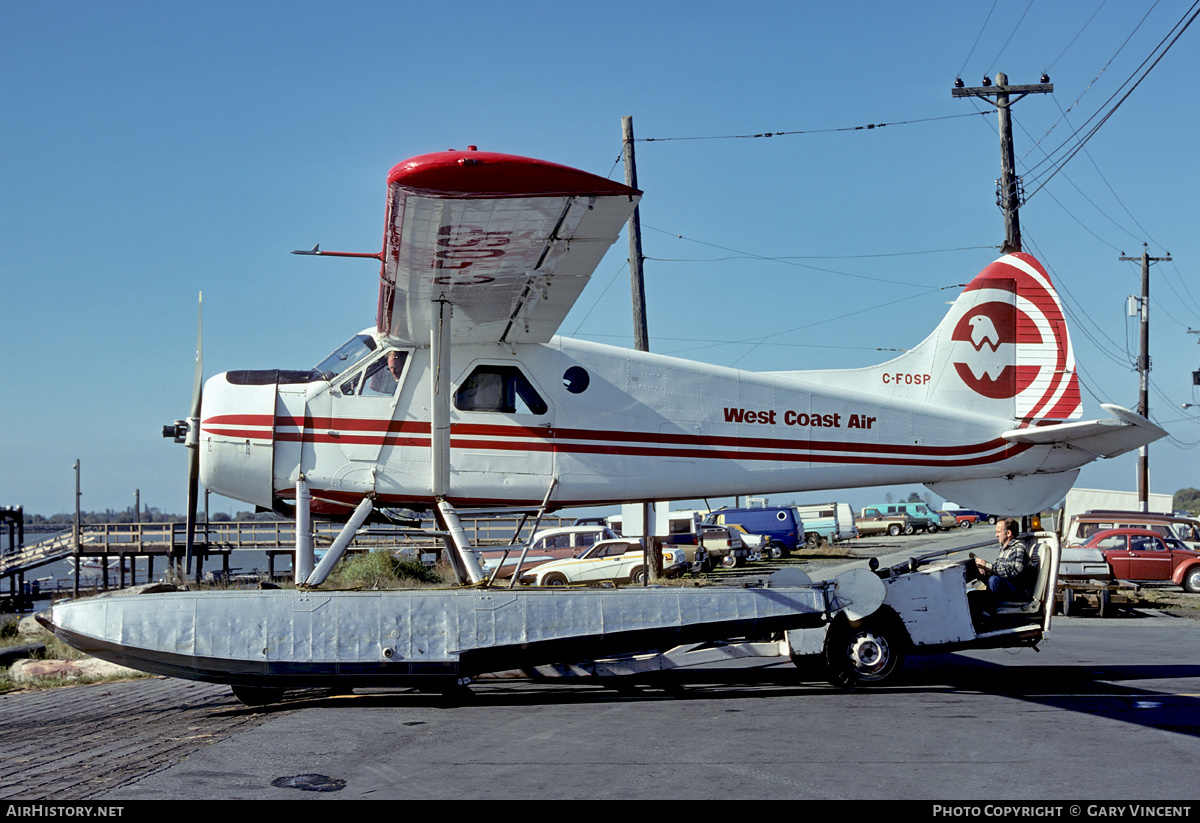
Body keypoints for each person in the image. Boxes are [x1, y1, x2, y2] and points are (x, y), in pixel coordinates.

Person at [973, 517, 1038, 605]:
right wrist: (984, 572)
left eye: (998, 532)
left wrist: (987, 566)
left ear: (1008, 533)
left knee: (994, 580)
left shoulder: (1018, 548)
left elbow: (1014, 572)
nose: (996, 535)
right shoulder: (1004, 548)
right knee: (972, 596)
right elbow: (1000, 570)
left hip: (1019, 593)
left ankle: (992, 613)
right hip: (1009, 589)